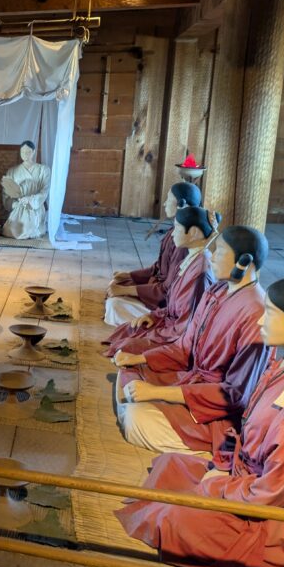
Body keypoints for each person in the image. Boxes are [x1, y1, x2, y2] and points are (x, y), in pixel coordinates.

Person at [117, 277, 284, 567]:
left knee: (176, 519)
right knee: (169, 465)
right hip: (246, 478)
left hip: (282, 517)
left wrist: (218, 486)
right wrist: (221, 469)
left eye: (269, 313)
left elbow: (276, 493)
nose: (261, 319)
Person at [113, 225, 270, 456]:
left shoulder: (256, 313)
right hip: (191, 380)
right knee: (128, 370)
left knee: (137, 417)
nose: (212, 257)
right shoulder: (216, 291)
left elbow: (235, 395)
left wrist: (157, 393)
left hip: (213, 410)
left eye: (220, 252)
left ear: (243, 262)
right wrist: (140, 358)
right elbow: (184, 346)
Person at [102, 204, 215, 356]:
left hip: (176, 333)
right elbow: (174, 300)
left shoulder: (200, 271)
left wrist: (160, 327)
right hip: (166, 317)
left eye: (177, 228)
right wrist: (154, 316)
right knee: (128, 331)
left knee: (128, 346)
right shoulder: (192, 258)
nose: (173, 233)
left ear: (193, 232)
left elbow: (187, 322)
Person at [105, 182, 202, 325]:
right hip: (155, 290)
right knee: (116, 284)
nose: (164, 204)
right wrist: (130, 275)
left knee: (115, 305)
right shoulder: (174, 232)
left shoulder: (183, 245)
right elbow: (158, 267)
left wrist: (125, 290)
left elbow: (166, 291)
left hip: (164, 304)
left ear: (181, 204)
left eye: (168, 200)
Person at [0, 140, 50, 240]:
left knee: (29, 229)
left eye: (28, 152)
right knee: (10, 230)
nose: (25, 154)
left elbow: (44, 191)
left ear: (34, 152)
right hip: (18, 207)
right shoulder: (12, 171)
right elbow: (6, 193)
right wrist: (14, 203)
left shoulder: (43, 170)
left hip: (34, 207)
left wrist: (30, 199)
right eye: (23, 152)